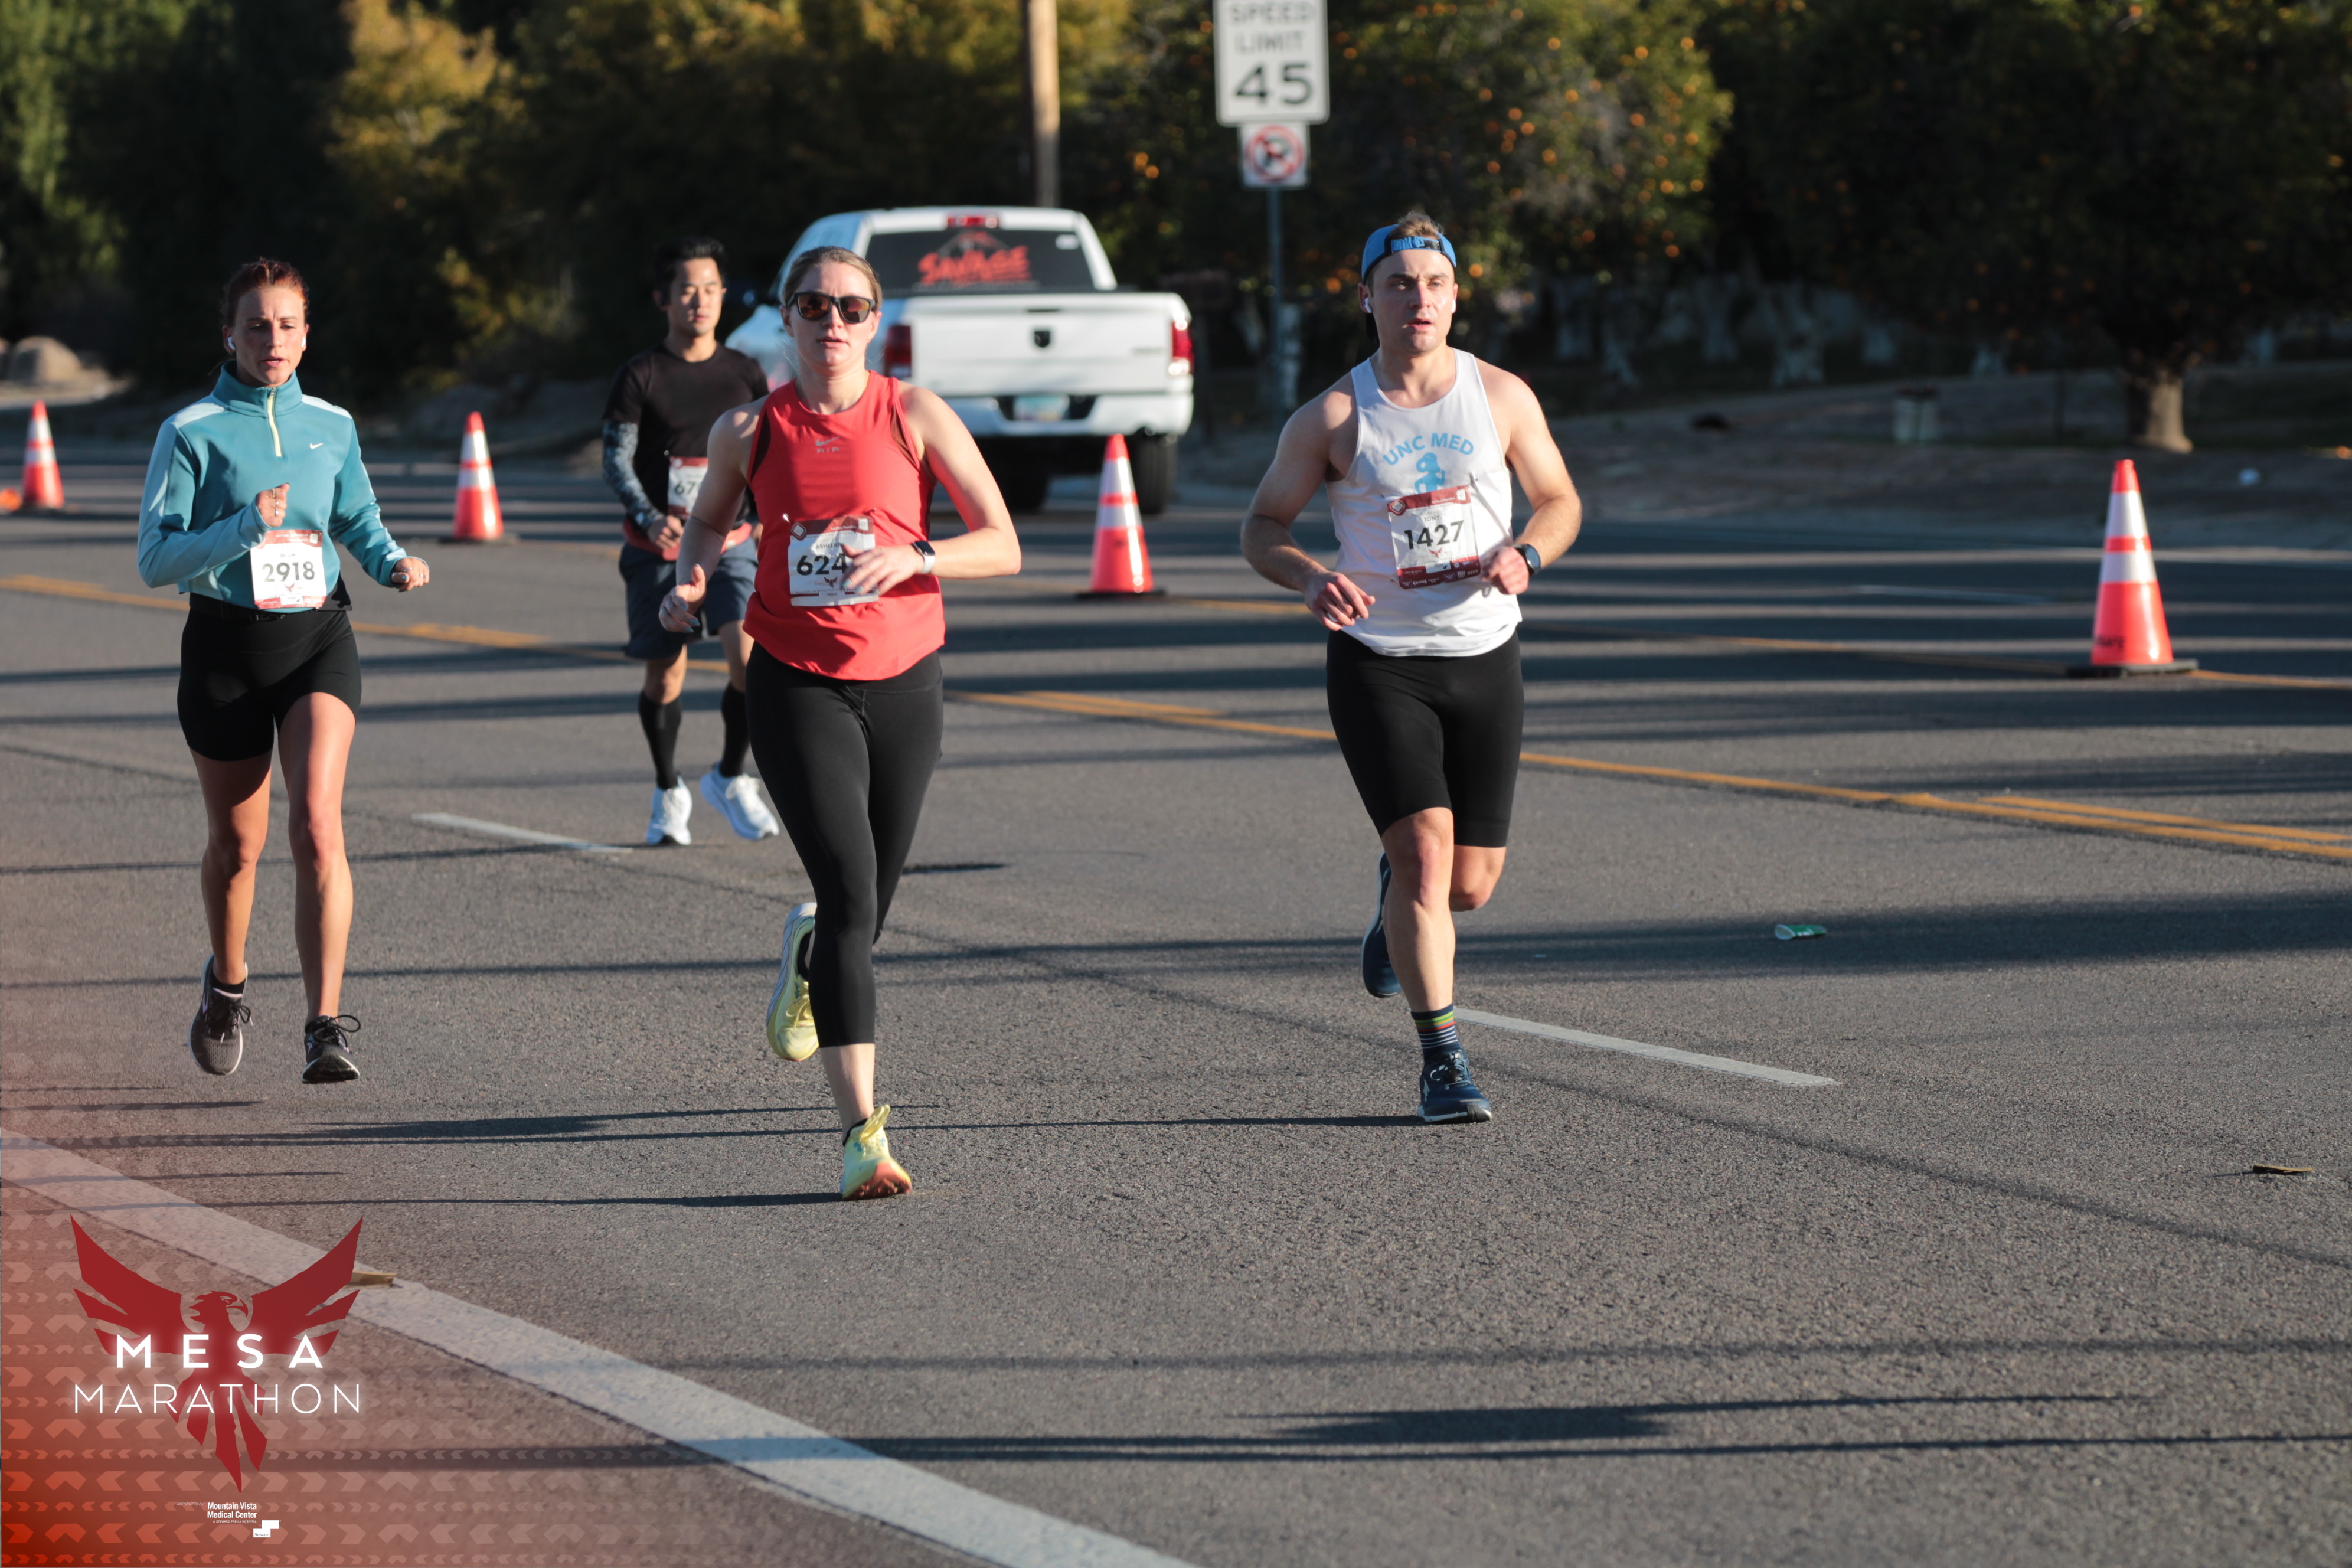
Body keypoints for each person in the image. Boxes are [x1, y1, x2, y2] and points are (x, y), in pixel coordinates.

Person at [662, 245, 1021, 1199]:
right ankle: (863, 1135)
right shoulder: (751, 428)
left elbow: (1003, 543)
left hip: (905, 679)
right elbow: (709, 523)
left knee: (867, 910)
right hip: (796, 683)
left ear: (875, 322)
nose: (832, 322)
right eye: (814, 306)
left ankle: (808, 952)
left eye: (851, 308)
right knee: (852, 898)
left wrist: (919, 558)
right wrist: (690, 582)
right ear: (786, 318)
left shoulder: (916, 413)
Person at [1239, 211, 1582, 1123]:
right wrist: (1310, 577)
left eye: (1433, 284)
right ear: (1368, 299)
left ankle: (1396, 893)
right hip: (1380, 662)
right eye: (1398, 285)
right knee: (1427, 857)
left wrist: (1529, 555)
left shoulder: (1501, 396)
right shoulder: (1335, 416)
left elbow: (1559, 500)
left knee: (1469, 885)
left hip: (1485, 653)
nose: (1417, 300)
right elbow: (1262, 527)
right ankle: (1443, 1060)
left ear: (1456, 297)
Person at [138, 257, 430, 1084]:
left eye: (288, 325)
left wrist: (388, 559)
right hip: (225, 649)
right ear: (228, 334)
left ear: (307, 334)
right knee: (238, 846)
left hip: (317, 638)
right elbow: (155, 558)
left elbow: (355, 514)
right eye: (257, 325)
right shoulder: (191, 431)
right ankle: (227, 985)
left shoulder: (331, 425)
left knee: (318, 826)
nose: (273, 339)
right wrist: (242, 527)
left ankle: (324, 1026)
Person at [602, 236, 780, 845]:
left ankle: (730, 775)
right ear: (663, 299)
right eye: (686, 290)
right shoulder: (641, 374)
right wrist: (651, 517)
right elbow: (615, 459)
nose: (699, 301)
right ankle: (667, 789)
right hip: (660, 548)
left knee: (751, 662)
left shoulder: (744, 372)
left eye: (710, 289)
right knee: (666, 679)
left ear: (724, 295)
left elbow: (767, 454)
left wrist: (766, 519)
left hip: (732, 543)